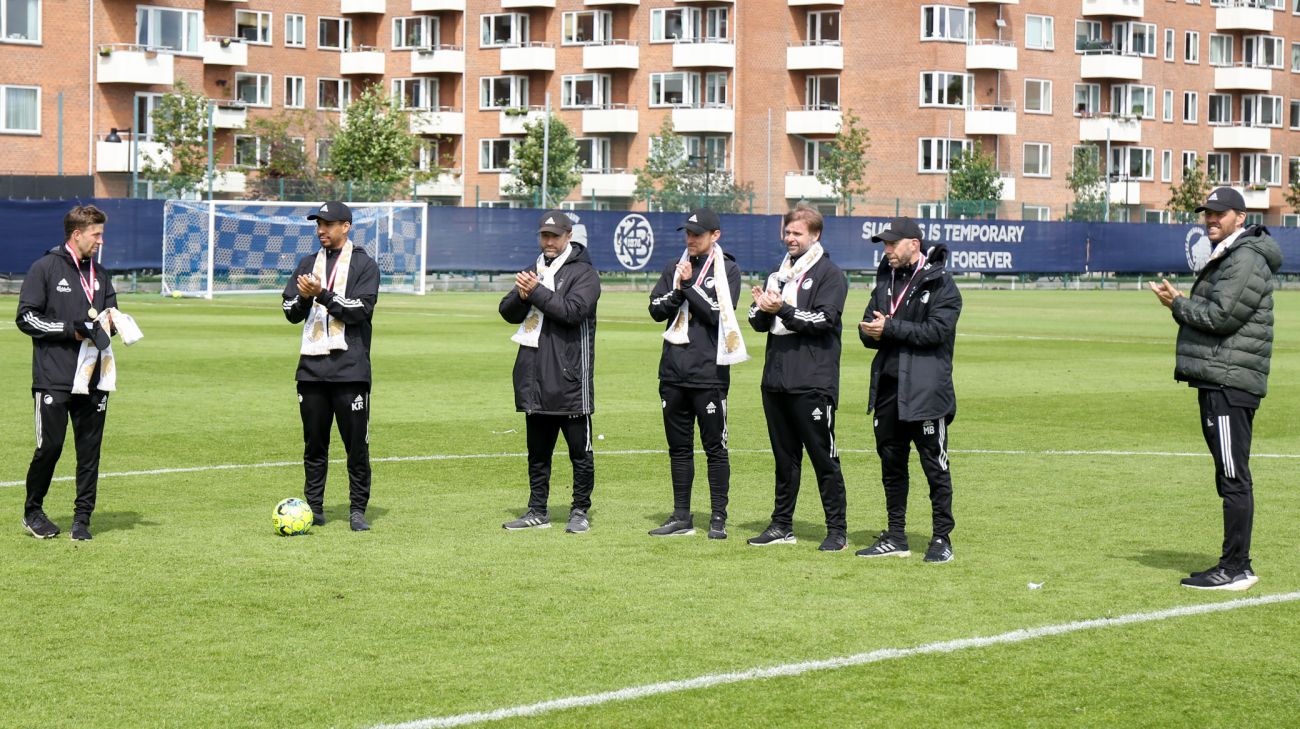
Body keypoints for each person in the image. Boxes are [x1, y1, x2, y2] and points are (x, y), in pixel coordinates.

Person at [1149, 186, 1282, 591]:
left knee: (1232, 475)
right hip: (1223, 377)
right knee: (1230, 473)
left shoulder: (1244, 258)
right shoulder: (1233, 254)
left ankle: (1236, 567)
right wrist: (1182, 303)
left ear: (1240, 217)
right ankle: (1235, 563)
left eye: (1219, 213)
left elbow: (1222, 316)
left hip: (1230, 381)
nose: (1211, 219)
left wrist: (1178, 305)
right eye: (1207, 212)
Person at [856, 217, 962, 563]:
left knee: (935, 467)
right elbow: (872, 325)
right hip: (888, 387)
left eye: (892, 244)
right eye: (884, 245)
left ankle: (942, 538)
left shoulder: (942, 283)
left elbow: (935, 333)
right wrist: (869, 331)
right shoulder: (885, 278)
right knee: (892, 465)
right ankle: (896, 535)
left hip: (926, 391)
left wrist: (889, 328)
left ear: (914, 244)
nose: (887, 251)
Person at [746, 204, 850, 551]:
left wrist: (783, 310)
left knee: (824, 458)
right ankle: (781, 525)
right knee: (784, 458)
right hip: (775, 380)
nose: (790, 238)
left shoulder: (830, 274)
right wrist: (762, 308)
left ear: (815, 235)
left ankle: (836, 530)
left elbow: (824, 321)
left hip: (812, 382)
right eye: (787, 232)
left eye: (797, 233)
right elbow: (758, 323)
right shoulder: (778, 275)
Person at [16, 205, 118, 541]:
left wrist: (114, 324)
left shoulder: (101, 275)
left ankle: (82, 520)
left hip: (93, 378)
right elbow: (26, 318)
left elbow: (108, 318)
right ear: (77, 234)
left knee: (90, 452)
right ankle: (33, 512)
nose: (101, 240)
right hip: (54, 377)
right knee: (51, 447)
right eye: (96, 234)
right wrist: (68, 329)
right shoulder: (44, 268)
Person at [646, 208, 747, 539]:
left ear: (714, 235)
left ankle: (718, 516)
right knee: (679, 449)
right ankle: (681, 515)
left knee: (715, 448)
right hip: (673, 372)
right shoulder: (674, 267)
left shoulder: (728, 270)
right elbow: (655, 309)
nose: (690, 239)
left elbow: (719, 314)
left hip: (709, 375)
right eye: (687, 233)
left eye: (697, 234)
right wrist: (679, 288)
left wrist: (688, 285)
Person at [499, 210, 602, 534]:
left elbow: (572, 312)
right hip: (535, 378)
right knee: (538, 453)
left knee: (579, 454)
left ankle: (580, 511)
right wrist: (521, 293)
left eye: (554, 236)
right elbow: (507, 312)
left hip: (571, 380)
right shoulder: (535, 269)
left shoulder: (585, 274)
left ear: (569, 236)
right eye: (544, 236)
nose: (548, 242)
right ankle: (537, 509)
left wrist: (536, 292)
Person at [282, 201, 379, 532]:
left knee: (356, 447)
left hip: (350, 371)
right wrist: (307, 297)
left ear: (346, 226)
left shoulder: (365, 265)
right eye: (318, 223)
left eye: (328, 223)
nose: (321, 229)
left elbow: (359, 310)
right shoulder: (308, 263)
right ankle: (314, 508)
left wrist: (321, 293)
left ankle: (357, 510)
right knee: (314, 445)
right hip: (311, 371)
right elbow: (290, 311)